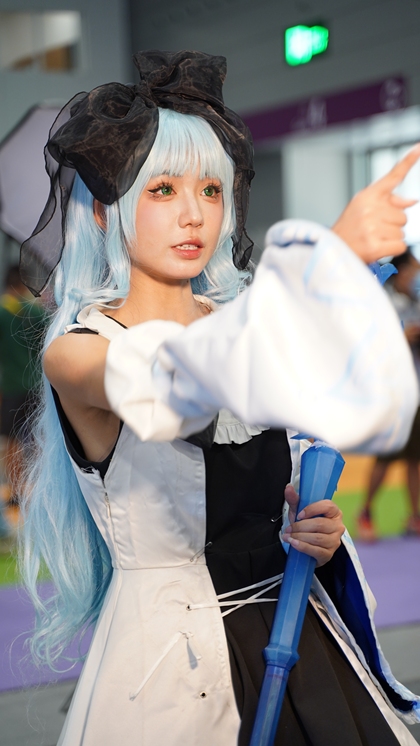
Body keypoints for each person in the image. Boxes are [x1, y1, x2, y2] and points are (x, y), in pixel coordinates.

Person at [20, 51, 420, 746]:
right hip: (170, 667)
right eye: (162, 189)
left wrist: (317, 534)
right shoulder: (78, 352)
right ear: (105, 211)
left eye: (211, 189)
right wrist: (331, 258)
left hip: (300, 642)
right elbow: (179, 378)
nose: (193, 214)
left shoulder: (242, 327)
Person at [358, 248, 420, 541]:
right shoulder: (384, 303)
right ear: (401, 272)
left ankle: (415, 517)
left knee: (415, 459)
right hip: (392, 394)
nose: (417, 277)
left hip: (415, 393)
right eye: (414, 271)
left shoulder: (415, 303)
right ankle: (366, 513)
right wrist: (401, 337)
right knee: (386, 457)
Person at [0, 264, 45, 537]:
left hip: (12, 387)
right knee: (39, 440)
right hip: (38, 386)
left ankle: (16, 494)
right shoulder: (36, 311)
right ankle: (39, 487)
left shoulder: (2, 312)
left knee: (13, 443)